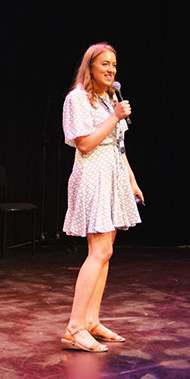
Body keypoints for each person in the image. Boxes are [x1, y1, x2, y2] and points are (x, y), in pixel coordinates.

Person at [60, 43, 143, 353]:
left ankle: (91, 320)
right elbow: (85, 144)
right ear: (90, 67)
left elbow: (117, 146)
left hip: (113, 174)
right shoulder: (77, 100)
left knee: (106, 250)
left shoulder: (110, 100)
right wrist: (115, 117)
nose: (111, 70)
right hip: (92, 175)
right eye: (105, 64)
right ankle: (74, 327)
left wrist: (131, 180)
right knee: (97, 250)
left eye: (115, 65)